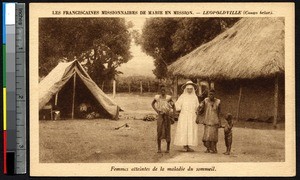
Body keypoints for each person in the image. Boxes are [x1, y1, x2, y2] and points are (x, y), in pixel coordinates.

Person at [174, 81, 199, 152]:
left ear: (193, 89)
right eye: (188, 89)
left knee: (190, 130)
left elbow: (197, 106)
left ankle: (188, 146)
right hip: (184, 116)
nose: (189, 90)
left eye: (191, 89)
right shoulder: (182, 96)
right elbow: (177, 105)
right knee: (184, 129)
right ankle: (184, 146)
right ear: (185, 89)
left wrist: (197, 112)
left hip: (192, 116)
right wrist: (179, 109)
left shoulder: (195, 97)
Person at [151, 85, 175, 153]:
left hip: (167, 116)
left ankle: (168, 149)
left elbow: (173, 106)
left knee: (167, 131)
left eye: (164, 90)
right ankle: (159, 148)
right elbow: (152, 104)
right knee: (159, 131)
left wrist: (172, 116)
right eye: (162, 90)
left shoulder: (168, 98)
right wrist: (157, 110)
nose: (163, 91)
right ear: (160, 91)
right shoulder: (157, 98)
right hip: (160, 116)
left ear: (166, 91)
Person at [199, 89, 221, 153]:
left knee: (214, 137)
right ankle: (208, 148)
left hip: (215, 121)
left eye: (212, 94)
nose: (211, 96)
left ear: (214, 95)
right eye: (209, 94)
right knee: (206, 137)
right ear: (208, 94)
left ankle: (214, 148)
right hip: (207, 120)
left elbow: (219, 112)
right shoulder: (205, 100)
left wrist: (220, 121)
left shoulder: (218, 101)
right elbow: (200, 109)